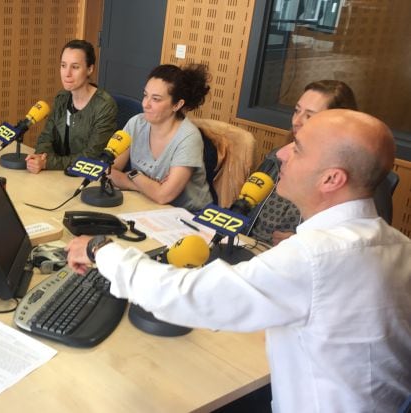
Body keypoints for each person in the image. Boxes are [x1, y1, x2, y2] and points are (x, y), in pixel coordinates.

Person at [67, 109, 411, 411]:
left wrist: (101, 249)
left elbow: (189, 297)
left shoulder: (316, 257)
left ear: (332, 179)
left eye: (299, 148)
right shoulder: (399, 245)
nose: (282, 153)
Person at [246, 80, 358, 245]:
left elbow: (351, 241)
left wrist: (305, 242)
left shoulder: (347, 177)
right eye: (296, 111)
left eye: (309, 116)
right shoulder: (277, 156)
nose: (296, 121)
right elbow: (248, 209)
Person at [108, 64, 213, 212]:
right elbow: (109, 170)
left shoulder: (189, 138)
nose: (145, 104)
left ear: (177, 104)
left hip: (189, 216)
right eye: (145, 95)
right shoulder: (136, 123)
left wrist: (133, 175)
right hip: (147, 205)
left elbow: (164, 196)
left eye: (156, 99)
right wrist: (142, 186)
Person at [26, 39, 117, 173]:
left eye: (75, 67)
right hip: (57, 175)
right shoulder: (62, 98)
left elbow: (92, 157)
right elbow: (46, 137)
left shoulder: (104, 106)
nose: (67, 73)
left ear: (90, 69)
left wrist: (48, 163)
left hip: (85, 180)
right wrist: (41, 157)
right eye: (63, 65)